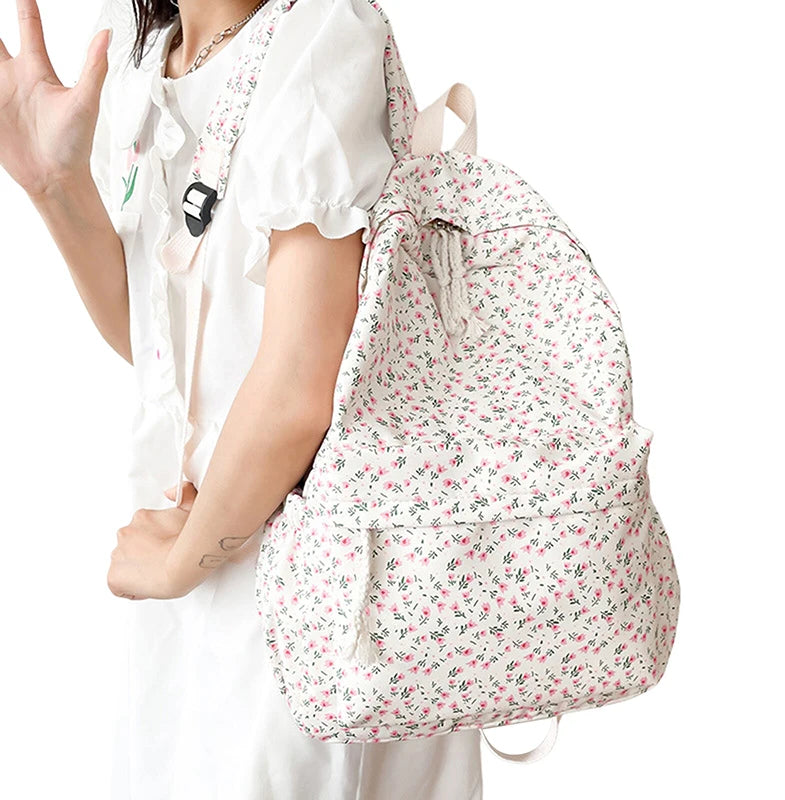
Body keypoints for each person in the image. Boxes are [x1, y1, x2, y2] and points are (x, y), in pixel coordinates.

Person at [0, 0, 484, 797]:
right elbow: (161, 345)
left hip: (316, 594)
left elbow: (300, 382)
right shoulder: (144, 53)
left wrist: (182, 562)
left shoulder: (322, 35)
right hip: (194, 567)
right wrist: (54, 187)